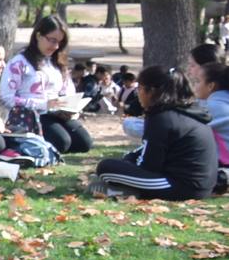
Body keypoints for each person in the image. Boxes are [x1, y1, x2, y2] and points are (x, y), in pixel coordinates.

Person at [88, 65, 220, 200]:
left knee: (105, 168)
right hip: (200, 186)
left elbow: (149, 166)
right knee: (124, 162)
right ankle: (122, 187)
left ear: (151, 91)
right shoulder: (183, 111)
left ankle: (123, 190)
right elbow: (146, 151)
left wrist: (126, 168)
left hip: (183, 187)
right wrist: (128, 162)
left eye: (139, 88)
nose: (137, 93)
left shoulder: (161, 118)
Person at [1, 15, 92, 156]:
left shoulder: (57, 63)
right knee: (62, 142)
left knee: (85, 143)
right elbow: (7, 98)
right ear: (38, 35)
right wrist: (44, 104)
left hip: (58, 114)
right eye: (52, 40)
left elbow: (67, 90)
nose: (55, 47)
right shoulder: (19, 63)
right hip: (32, 115)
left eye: (60, 43)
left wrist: (70, 106)